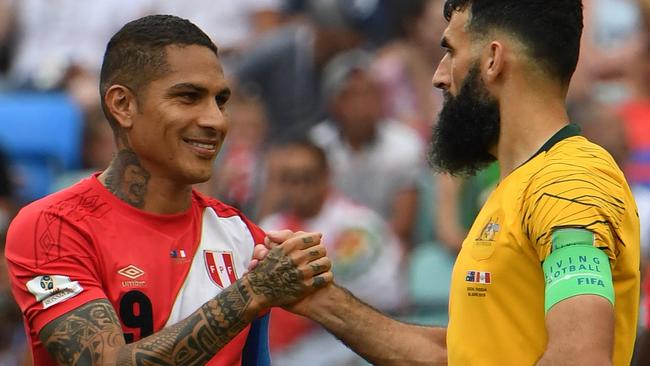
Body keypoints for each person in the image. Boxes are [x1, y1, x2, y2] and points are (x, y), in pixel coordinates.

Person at [266, 1, 640, 365]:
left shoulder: (567, 182)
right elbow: (454, 356)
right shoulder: (516, 187)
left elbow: (579, 357)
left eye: (451, 51)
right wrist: (319, 299)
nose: (439, 75)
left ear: (493, 60)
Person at [4, 15, 332, 365]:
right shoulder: (51, 227)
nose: (216, 120)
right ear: (123, 105)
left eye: (220, 101)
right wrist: (251, 294)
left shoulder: (242, 236)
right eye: (189, 97)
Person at [259, 140, 405, 365]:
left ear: (326, 176)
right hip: (282, 346)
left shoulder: (358, 225)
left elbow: (387, 293)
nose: (299, 187)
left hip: (340, 341)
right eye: (290, 179)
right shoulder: (271, 227)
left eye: (307, 177)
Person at [310, 49, 425, 246]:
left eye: (369, 92)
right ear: (333, 103)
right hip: (326, 246)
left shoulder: (404, 144)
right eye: (350, 95)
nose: (361, 103)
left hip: (386, 249)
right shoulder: (316, 145)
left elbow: (403, 225)